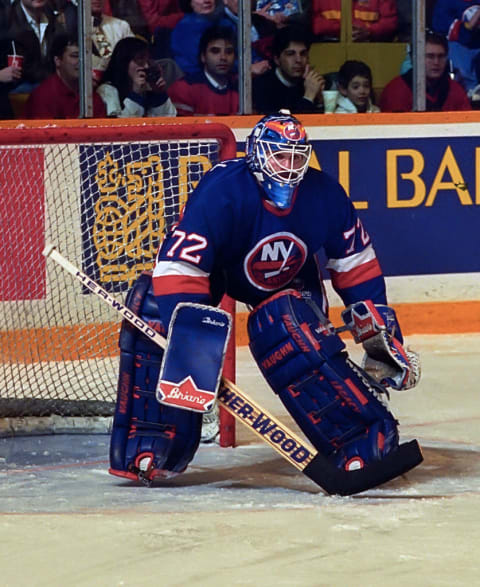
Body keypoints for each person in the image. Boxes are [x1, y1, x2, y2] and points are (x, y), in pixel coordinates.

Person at [109, 110, 421, 487]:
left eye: (296, 156)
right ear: (257, 156)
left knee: (295, 337)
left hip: (289, 279)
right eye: (279, 155)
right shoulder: (223, 190)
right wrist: (188, 344)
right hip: (219, 269)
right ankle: (152, 440)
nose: (289, 167)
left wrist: (380, 336)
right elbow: (180, 268)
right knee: (154, 312)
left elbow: (356, 265)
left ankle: (357, 438)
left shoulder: (324, 194)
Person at [380, 31, 472, 112]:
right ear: (414, 58)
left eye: (441, 56)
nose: (436, 62)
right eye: (430, 56)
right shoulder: (396, 90)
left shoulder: (455, 90)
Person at [24, 32, 106, 118]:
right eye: (75, 56)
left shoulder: (92, 96)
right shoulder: (43, 96)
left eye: (86, 55)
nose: (82, 61)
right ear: (58, 60)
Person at [97, 36, 176, 117]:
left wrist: (158, 95)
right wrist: (135, 96)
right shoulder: (107, 90)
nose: (146, 66)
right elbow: (119, 127)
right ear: (124, 63)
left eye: (148, 60)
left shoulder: (147, 88)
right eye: (140, 60)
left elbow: (170, 122)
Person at [252, 25, 325, 114]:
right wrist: (308, 97)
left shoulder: (310, 83)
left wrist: (320, 100)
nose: (298, 60)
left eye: (303, 54)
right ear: (277, 59)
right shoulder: (261, 86)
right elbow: (285, 125)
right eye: (290, 54)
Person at [168, 25, 238, 115]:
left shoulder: (241, 89)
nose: (223, 57)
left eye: (229, 52)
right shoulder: (184, 88)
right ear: (203, 56)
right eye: (215, 51)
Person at [6, 0, 61, 92]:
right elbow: (29, 70)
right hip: (18, 88)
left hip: (48, 84)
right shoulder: (7, 19)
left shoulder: (52, 16)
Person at [432, 0, 480, 95]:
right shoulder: (445, 3)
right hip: (459, 48)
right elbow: (459, 35)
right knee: (455, 49)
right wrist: (474, 20)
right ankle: (470, 91)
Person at [170, 0, 225, 76]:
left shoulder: (225, 23)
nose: (207, 1)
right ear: (190, 3)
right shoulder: (185, 28)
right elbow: (194, 65)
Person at [311, 0, 398, 42]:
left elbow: (390, 23)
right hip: (328, 49)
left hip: (372, 50)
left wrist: (369, 31)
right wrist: (342, 28)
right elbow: (313, 22)